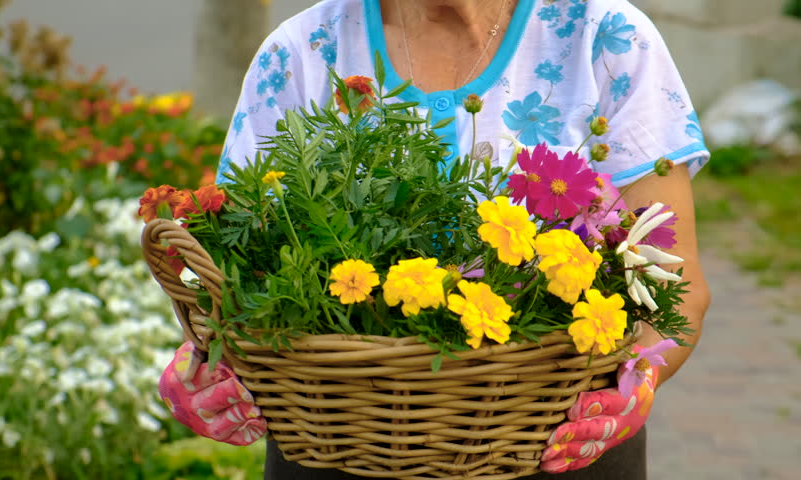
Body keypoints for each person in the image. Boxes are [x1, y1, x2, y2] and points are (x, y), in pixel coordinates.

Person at [158, 0, 712, 478]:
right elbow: (236, 265)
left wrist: (636, 379)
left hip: (562, 449)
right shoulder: (303, 51)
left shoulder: (606, 37)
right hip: (338, 453)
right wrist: (208, 358)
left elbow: (675, 277)